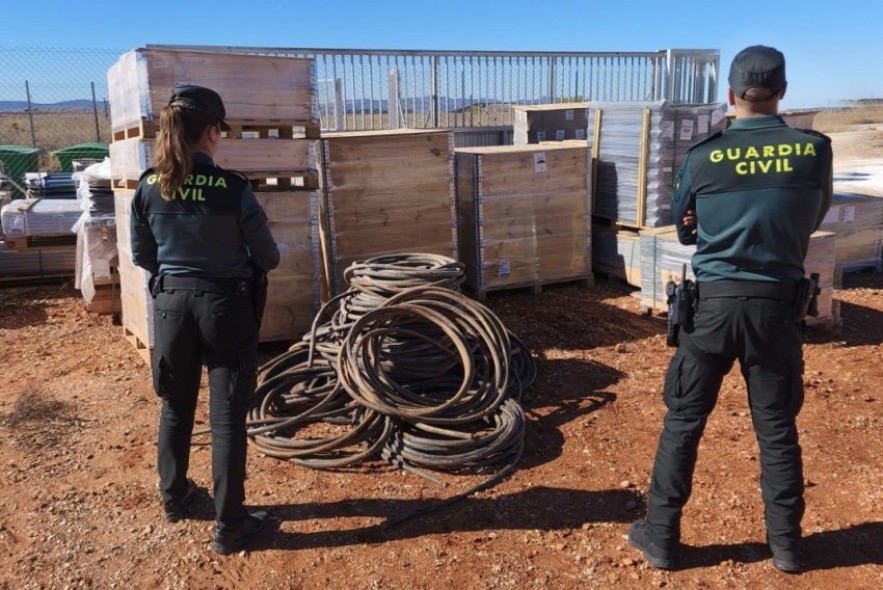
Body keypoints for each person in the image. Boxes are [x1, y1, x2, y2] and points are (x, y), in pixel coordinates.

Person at [628, 45, 833, 573]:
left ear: (730, 96)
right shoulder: (815, 151)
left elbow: (684, 228)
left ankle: (662, 540)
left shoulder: (702, 156)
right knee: (776, 428)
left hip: (712, 310)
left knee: (683, 422)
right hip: (777, 309)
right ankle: (786, 547)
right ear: (783, 92)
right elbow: (811, 219)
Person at [130, 84, 280, 555]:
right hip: (226, 310)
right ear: (212, 131)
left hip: (172, 309)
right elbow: (269, 258)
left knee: (175, 407)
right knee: (227, 420)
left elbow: (143, 255)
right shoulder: (234, 189)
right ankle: (229, 526)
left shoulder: (148, 185)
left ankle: (175, 498)